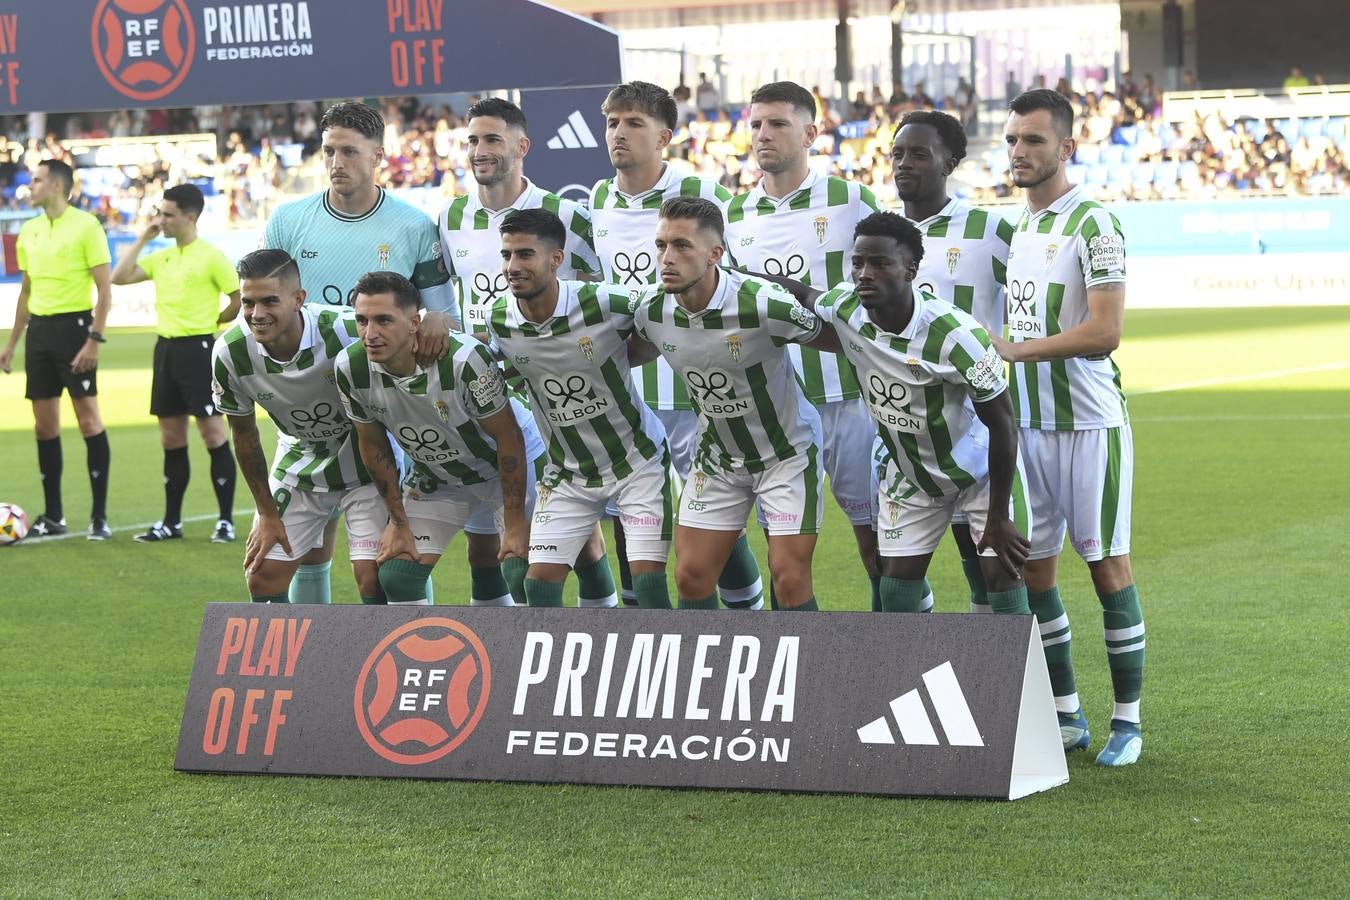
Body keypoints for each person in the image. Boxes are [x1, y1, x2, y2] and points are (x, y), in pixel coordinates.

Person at [997, 89, 1145, 767]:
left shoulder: (1095, 223)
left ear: (1066, 147)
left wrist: (1016, 351)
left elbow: (1105, 331)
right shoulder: (1019, 228)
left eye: (1033, 140)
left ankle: (1127, 723)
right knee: (1034, 570)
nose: (1019, 152)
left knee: (1107, 567)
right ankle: (1066, 714)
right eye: (1012, 140)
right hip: (1027, 426)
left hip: (1089, 424)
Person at [263, 100, 456, 604]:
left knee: (387, 560)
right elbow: (267, 304)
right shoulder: (288, 221)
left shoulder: (413, 226)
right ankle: (315, 651)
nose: (336, 162)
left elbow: (442, 318)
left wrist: (435, 322)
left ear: (378, 156)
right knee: (306, 549)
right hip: (309, 406)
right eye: (329, 151)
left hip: (386, 411)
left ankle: (408, 636)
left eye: (349, 151)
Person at [589, 81, 763, 610]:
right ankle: (642, 626)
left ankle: (746, 616)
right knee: (629, 512)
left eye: (634, 123)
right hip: (626, 384)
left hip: (694, 384)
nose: (619, 133)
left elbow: (732, 281)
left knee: (715, 520)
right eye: (613, 123)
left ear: (664, 136)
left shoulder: (700, 192)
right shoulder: (598, 198)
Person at [438, 96, 615, 608]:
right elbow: (445, 300)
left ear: (522, 147)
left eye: (492, 139)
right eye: (473, 140)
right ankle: (505, 642)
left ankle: (601, 625)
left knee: (574, 534)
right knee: (485, 543)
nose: (479, 150)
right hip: (482, 392)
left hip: (552, 390)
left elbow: (601, 292)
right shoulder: (451, 216)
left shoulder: (565, 215)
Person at [809, 213, 1031, 620]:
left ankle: (1023, 663)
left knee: (1002, 577)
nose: (864, 273)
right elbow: (802, 295)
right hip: (911, 475)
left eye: (880, 263)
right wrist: (726, 278)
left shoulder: (957, 337)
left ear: (910, 270)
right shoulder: (846, 307)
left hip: (980, 474)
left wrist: (999, 515)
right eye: (858, 262)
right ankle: (909, 663)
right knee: (895, 590)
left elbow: (1003, 424)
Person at [631, 197, 833, 610]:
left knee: (790, 581)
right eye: (661, 245)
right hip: (718, 459)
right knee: (690, 577)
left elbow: (841, 341)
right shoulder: (650, 309)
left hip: (786, 456)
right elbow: (619, 352)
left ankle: (805, 654)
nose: (666, 258)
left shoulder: (764, 302)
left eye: (682, 246)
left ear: (715, 254)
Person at [723, 81, 880, 607]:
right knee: (782, 554)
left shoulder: (851, 200)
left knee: (877, 543)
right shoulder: (734, 214)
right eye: (756, 125)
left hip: (849, 396)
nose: (763, 135)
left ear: (810, 134)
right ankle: (790, 648)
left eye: (778, 124)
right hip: (774, 408)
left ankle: (894, 642)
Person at [488, 208, 674, 609]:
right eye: (506, 255)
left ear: (556, 259)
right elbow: (473, 353)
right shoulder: (498, 320)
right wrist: (434, 321)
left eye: (525, 254)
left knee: (648, 586)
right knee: (537, 586)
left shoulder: (604, 301)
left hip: (637, 462)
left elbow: (664, 307)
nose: (512, 266)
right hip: (568, 473)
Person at [335, 271, 529, 606]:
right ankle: (417, 642)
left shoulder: (463, 359)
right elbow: (373, 445)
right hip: (438, 475)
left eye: (383, 320)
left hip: (505, 465)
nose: (370, 333)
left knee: (522, 569)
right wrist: (398, 522)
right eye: (362, 321)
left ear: (414, 323)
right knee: (398, 574)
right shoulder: (350, 367)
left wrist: (514, 525)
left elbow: (508, 437)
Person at [892, 110, 1015, 613]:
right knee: (892, 569)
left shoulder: (990, 229)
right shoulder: (880, 234)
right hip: (904, 430)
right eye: (898, 153)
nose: (904, 163)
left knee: (987, 564)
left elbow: (1032, 300)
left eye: (919, 154)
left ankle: (995, 655)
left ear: (950, 163)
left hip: (978, 427)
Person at [211, 249, 383, 604]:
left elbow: (407, 331)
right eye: (248, 302)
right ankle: (310, 643)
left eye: (269, 301)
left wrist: (435, 320)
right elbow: (244, 435)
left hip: (370, 461)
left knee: (377, 577)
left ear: (298, 299)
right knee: (262, 576)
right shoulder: (230, 352)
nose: (257, 314)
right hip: (300, 460)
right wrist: (266, 513)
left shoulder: (346, 329)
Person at [110, 183, 240, 544]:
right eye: (160, 213)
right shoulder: (162, 257)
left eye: (167, 215)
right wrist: (142, 237)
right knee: (171, 437)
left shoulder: (211, 256)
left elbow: (237, 298)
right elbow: (118, 277)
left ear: (190, 217)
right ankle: (171, 523)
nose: (161, 220)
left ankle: (225, 521)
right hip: (165, 351)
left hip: (198, 350)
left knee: (212, 434)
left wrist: (214, 322)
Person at [0, 159, 113, 540]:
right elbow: (26, 292)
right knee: (44, 426)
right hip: (40, 333)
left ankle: (99, 518)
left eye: (37, 180)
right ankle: (53, 516)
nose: (30, 186)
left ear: (57, 186)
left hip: (75, 330)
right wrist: (11, 344)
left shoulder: (87, 226)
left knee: (88, 421)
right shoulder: (29, 230)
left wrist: (94, 340)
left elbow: (105, 290)